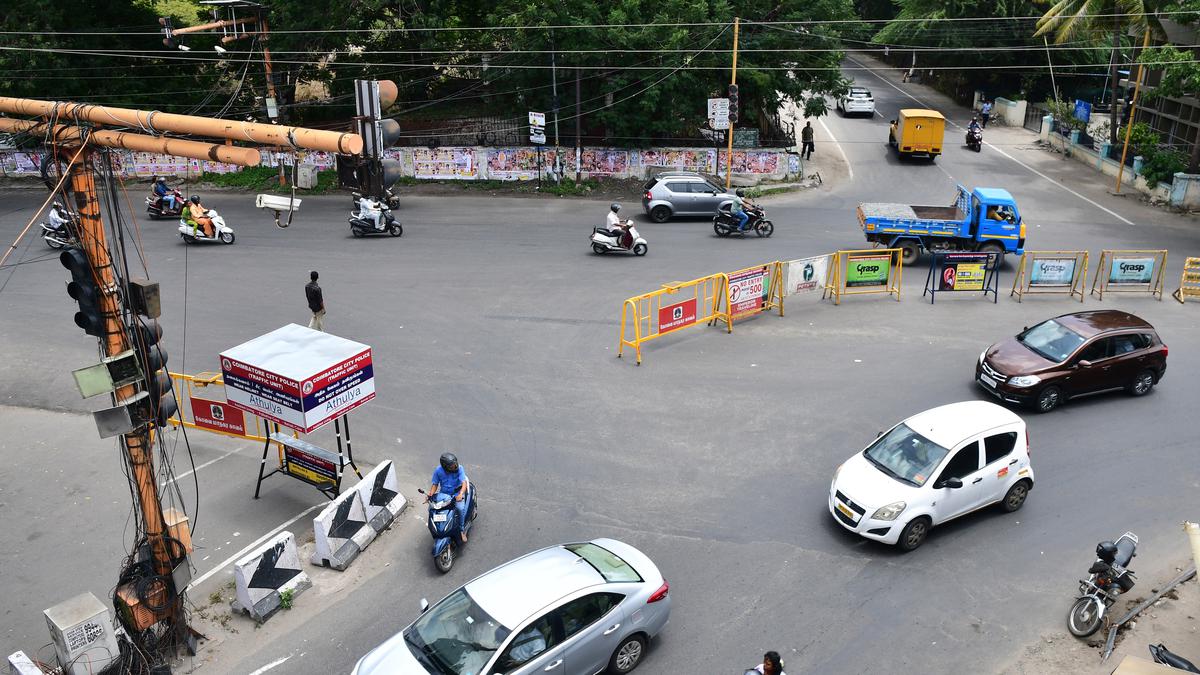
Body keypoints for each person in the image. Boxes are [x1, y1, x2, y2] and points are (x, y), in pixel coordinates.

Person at [428, 452, 470, 542]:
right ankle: (439, 528)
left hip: (456, 495)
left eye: (455, 464)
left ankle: (462, 531)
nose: (455, 466)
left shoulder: (460, 468)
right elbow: (435, 484)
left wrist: (461, 493)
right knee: (432, 509)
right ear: (445, 466)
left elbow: (464, 483)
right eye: (452, 466)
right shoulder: (438, 471)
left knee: (460, 508)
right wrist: (430, 495)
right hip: (444, 495)